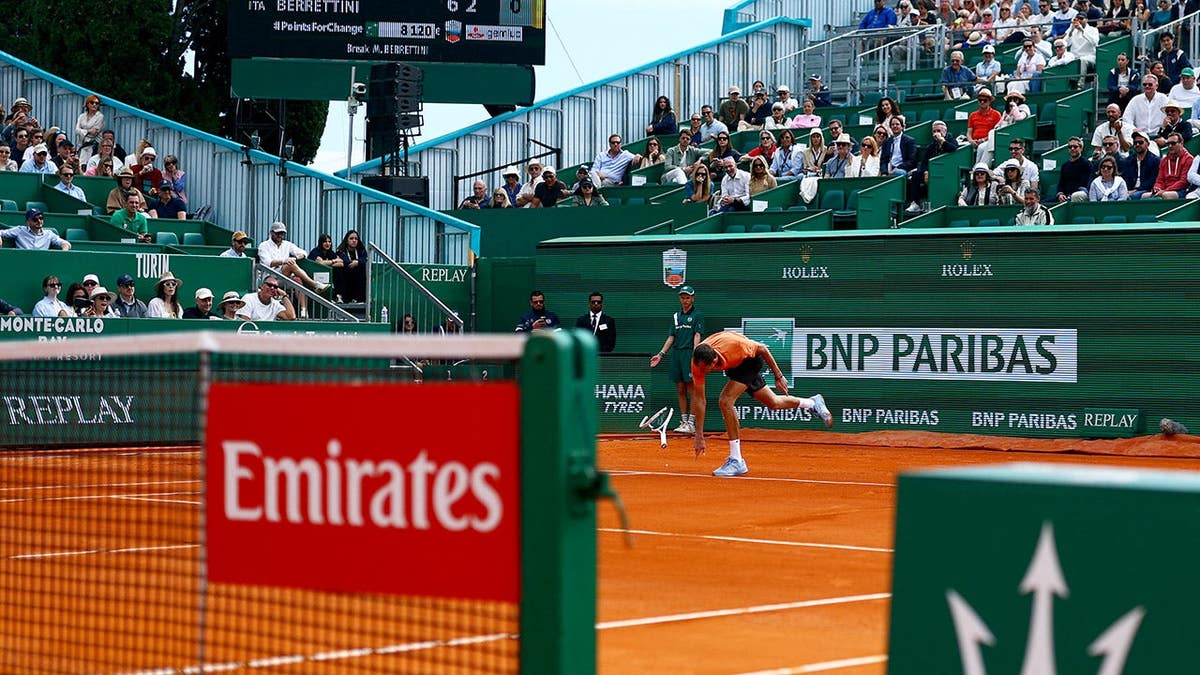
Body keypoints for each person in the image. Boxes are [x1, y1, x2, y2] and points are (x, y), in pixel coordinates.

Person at [689, 331, 832, 477]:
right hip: (735, 365)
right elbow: (700, 400)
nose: (701, 371)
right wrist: (698, 435)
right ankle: (812, 403)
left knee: (725, 401)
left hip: (750, 361)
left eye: (704, 369)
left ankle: (736, 460)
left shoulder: (736, 346)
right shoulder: (697, 363)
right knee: (774, 403)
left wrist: (778, 376)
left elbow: (763, 349)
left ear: (713, 362)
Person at [649, 286, 703, 434]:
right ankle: (684, 421)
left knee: (691, 389)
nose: (685, 300)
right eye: (683, 297)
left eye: (687, 297)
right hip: (676, 355)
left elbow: (697, 335)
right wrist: (660, 354)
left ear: (692, 298)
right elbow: (671, 337)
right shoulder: (675, 316)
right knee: (680, 389)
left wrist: (695, 354)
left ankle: (691, 423)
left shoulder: (697, 315)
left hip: (689, 355)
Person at [258, 221, 329, 305]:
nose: (280, 235)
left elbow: (303, 252)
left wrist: (295, 257)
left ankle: (304, 312)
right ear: (271, 233)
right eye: (278, 233)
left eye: (282, 233)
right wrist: (284, 261)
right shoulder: (263, 245)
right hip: (269, 278)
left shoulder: (287, 244)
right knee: (289, 265)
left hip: (284, 278)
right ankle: (315, 284)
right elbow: (267, 263)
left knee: (297, 279)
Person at [907, 120, 958, 212]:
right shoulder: (931, 146)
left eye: (938, 131)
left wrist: (941, 140)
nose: (936, 133)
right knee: (915, 174)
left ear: (945, 132)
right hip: (931, 171)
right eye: (934, 131)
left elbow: (952, 148)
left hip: (946, 170)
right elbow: (924, 163)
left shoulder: (951, 141)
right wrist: (926, 171)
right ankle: (916, 203)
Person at [1143, 132, 1192, 199]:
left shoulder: (1188, 159)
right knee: (1144, 196)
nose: (1170, 146)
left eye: (1173, 143)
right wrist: (1157, 189)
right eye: (1168, 144)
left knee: (1166, 195)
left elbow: (1183, 182)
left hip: (1181, 190)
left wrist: (1165, 190)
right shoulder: (1164, 160)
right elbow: (1159, 180)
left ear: (1181, 143)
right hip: (1165, 190)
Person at [0, 208, 71, 250]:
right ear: (28, 222)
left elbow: (65, 243)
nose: (39, 221)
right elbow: (1, 232)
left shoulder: (49, 234)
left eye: (41, 218)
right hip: (22, 261)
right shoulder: (20, 230)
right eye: (35, 219)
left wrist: (64, 250)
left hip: (42, 262)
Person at [967, 88, 1003, 164]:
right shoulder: (972, 115)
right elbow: (969, 132)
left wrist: (983, 140)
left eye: (985, 100)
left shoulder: (996, 114)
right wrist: (971, 140)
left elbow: (996, 132)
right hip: (974, 142)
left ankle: (978, 169)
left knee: (981, 148)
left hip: (988, 141)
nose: (982, 102)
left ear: (989, 101)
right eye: (980, 100)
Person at [1122, 130, 1161, 198]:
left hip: (1146, 190)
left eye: (1140, 142)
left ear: (1148, 144)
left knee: (1134, 196)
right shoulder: (1128, 160)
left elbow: (1152, 181)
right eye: (1135, 143)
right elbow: (1125, 179)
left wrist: (1135, 190)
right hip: (1130, 190)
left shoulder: (1155, 161)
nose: (1137, 145)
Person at [1055, 137, 1095, 201]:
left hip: (1079, 195)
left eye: (1075, 147)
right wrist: (1060, 194)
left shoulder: (1087, 164)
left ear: (1081, 148)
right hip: (1065, 196)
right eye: (1070, 147)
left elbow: (1085, 184)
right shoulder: (1065, 165)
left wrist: (1070, 196)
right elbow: (1061, 183)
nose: (1072, 149)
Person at [335, 230, 368, 303]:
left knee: (362, 269)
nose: (354, 240)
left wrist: (358, 262)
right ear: (346, 240)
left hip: (357, 277)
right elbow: (346, 262)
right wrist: (355, 263)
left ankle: (359, 298)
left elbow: (366, 259)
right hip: (345, 276)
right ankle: (341, 297)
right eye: (351, 238)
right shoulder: (341, 251)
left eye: (356, 239)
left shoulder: (361, 250)